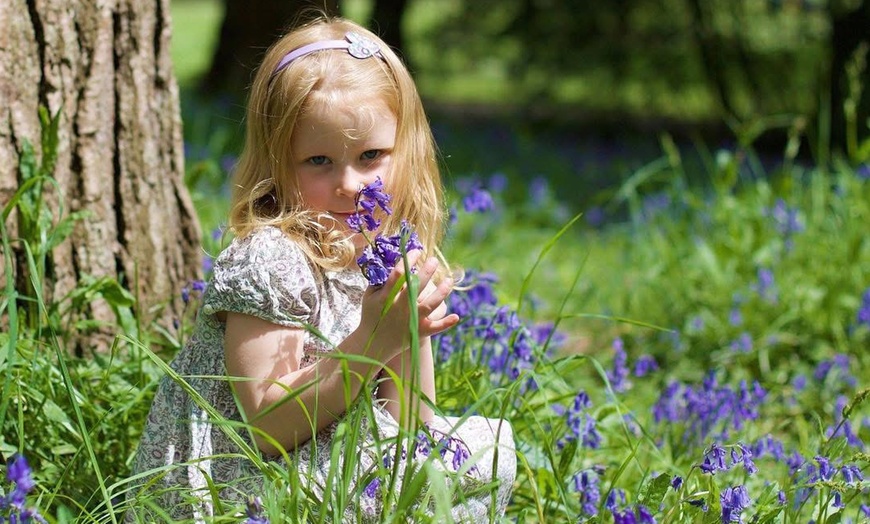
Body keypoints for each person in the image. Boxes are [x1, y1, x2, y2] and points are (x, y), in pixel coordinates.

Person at [128, 15, 516, 522]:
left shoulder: (382, 253)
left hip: (327, 461)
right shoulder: (269, 259)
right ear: (276, 162)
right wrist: (375, 339)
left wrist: (407, 330)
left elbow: (410, 426)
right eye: (318, 161)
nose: (351, 184)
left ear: (408, 151)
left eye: (371, 155)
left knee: (469, 461)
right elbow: (269, 427)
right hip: (240, 485)